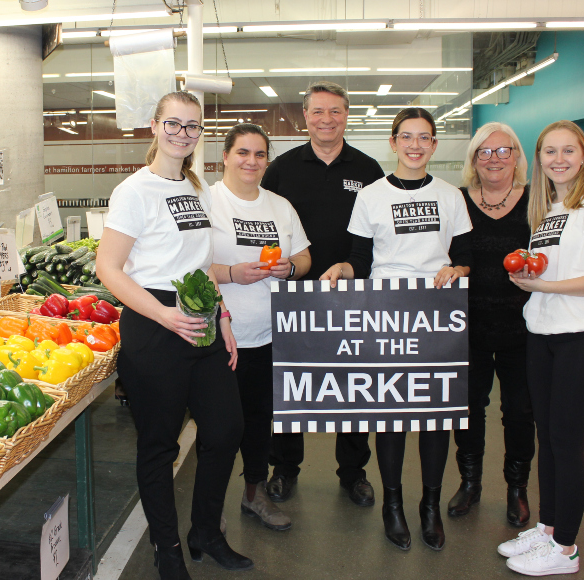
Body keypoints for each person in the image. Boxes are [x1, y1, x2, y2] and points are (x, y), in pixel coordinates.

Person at [96, 91, 251, 580]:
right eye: (174, 124)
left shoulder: (195, 187)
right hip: (154, 325)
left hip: (201, 319)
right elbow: (109, 269)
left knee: (225, 429)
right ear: (155, 126)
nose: (183, 134)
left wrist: (222, 317)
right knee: (160, 446)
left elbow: (200, 263)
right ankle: (167, 549)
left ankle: (206, 531)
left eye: (192, 126)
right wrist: (164, 316)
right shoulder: (134, 191)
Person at [321, 107, 473, 551]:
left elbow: (464, 254)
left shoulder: (450, 196)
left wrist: (457, 267)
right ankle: (393, 505)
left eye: (423, 137)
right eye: (406, 137)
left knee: (434, 416)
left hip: (438, 313)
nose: (414, 145)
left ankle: (429, 505)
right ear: (392, 143)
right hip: (386, 311)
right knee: (390, 415)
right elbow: (362, 259)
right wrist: (343, 269)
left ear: (434, 146)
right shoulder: (370, 196)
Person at [499, 120, 584, 576]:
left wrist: (550, 285)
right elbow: (549, 273)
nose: (558, 159)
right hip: (544, 335)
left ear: (583, 155)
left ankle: (567, 549)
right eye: (549, 152)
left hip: (583, 338)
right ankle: (550, 528)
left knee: (566, 442)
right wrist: (532, 280)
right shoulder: (550, 209)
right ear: (538, 159)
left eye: (568, 151)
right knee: (547, 439)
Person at [260, 80, 386, 507]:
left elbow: (376, 234)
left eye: (335, 111)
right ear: (306, 117)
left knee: (353, 386)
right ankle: (284, 468)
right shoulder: (283, 169)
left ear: (346, 116)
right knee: (291, 385)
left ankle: (353, 473)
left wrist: (358, 273)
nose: (326, 119)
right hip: (295, 294)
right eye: (318, 111)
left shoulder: (368, 170)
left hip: (352, 293)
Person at [207, 123, 312, 532]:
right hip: (219, 336)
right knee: (218, 428)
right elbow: (191, 264)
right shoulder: (208, 201)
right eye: (243, 153)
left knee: (258, 423)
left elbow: (304, 257)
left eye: (259, 154)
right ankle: (209, 506)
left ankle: (254, 494)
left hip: (269, 336)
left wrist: (291, 267)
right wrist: (232, 272)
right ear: (226, 157)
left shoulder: (279, 206)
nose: (251, 161)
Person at [448, 123, 536, 528]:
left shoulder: (538, 201)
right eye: (484, 152)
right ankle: (470, 482)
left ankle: (517, 488)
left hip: (525, 326)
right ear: (473, 160)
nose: (495, 159)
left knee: (519, 411)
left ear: (517, 157)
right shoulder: (457, 201)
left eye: (504, 151)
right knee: (468, 410)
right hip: (468, 325)